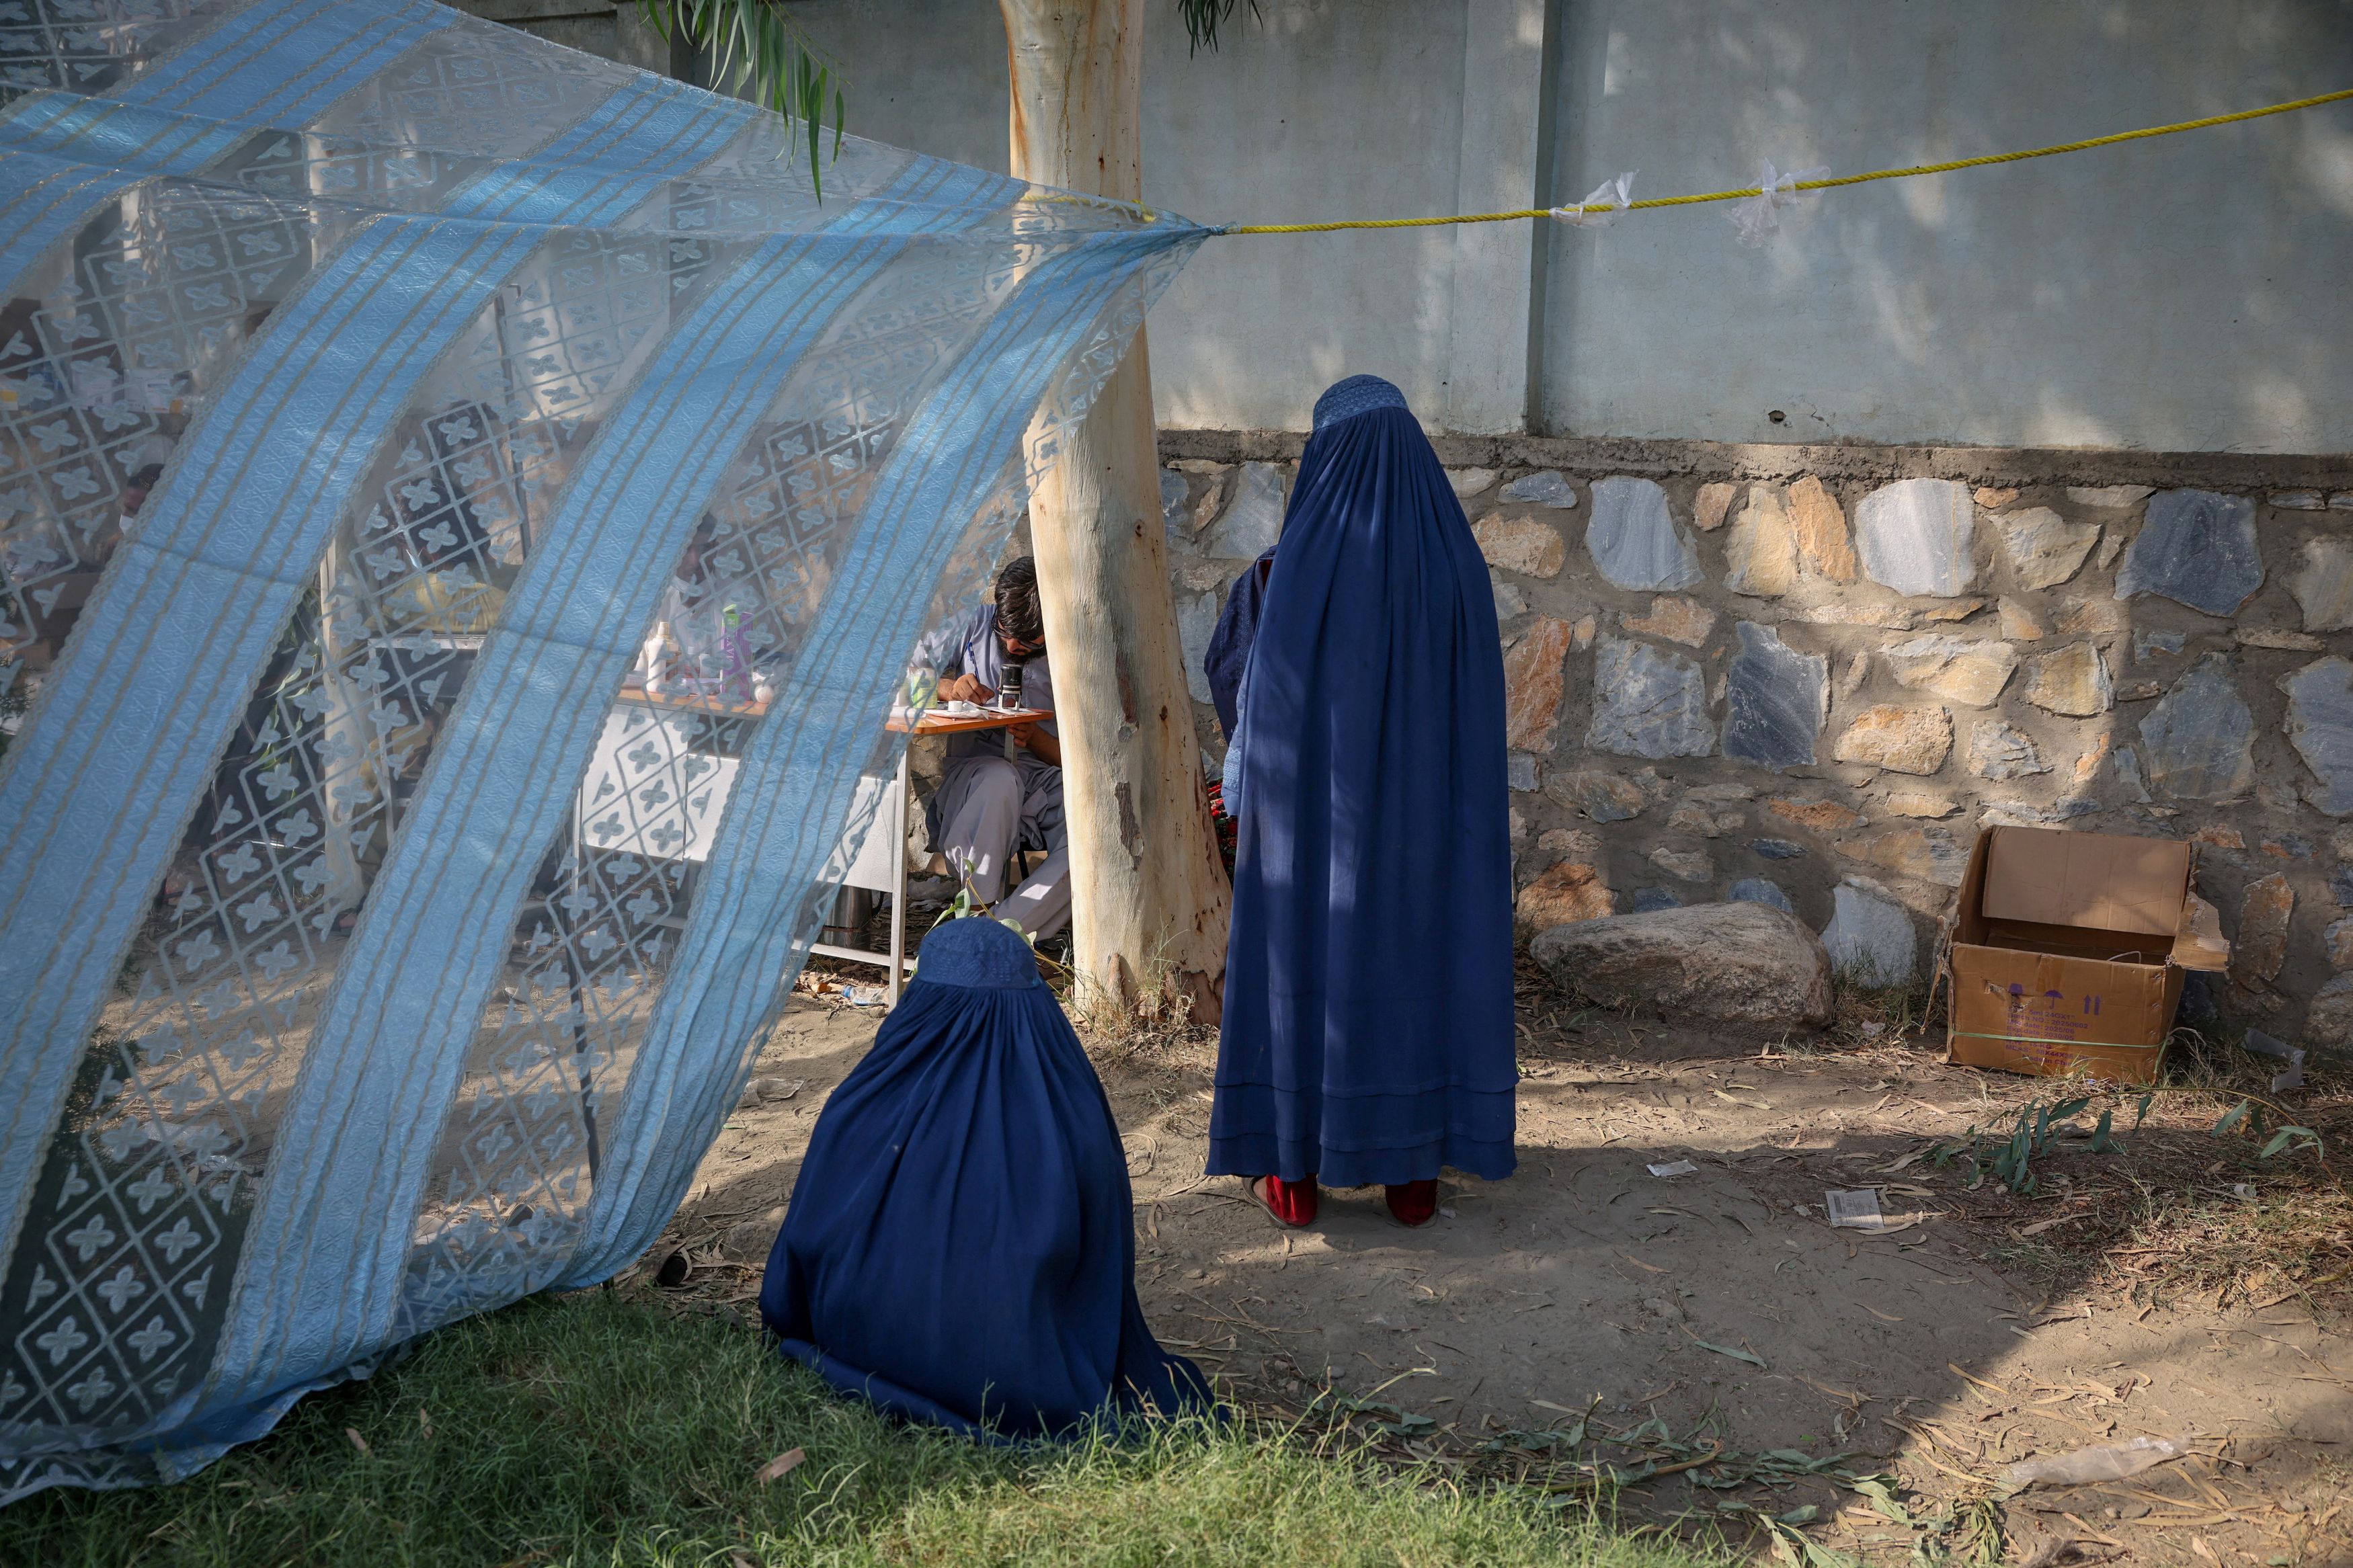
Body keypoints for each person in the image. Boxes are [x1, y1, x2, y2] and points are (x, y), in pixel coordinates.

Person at [1206, 374, 1517, 1230]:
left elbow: (1256, 705)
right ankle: (1411, 1177)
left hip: (1313, 836)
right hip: (1428, 827)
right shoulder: (1457, 565)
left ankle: (1293, 1176)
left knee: (1301, 961)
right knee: (1417, 956)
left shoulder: (1293, 571)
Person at [760, 914, 1211, 1438]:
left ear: (921, 997)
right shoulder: (1072, 1117)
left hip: (853, 1341)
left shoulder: (859, 1106)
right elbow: (1099, 1271)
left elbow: (801, 1260)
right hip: (1017, 1383)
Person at [906, 556, 1070, 937]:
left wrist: (1035, 738)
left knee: (1095, 834)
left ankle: (995, 934)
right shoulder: (972, 625)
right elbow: (901, 675)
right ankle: (979, 915)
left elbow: (1087, 757)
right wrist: (948, 688)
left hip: (1046, 775)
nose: (1012, 646)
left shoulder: (1074, 647)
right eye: (1004, 632)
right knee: (999, 779)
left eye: (1027, 642)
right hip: (978, 776)